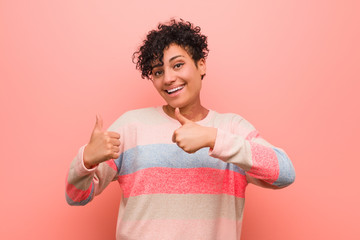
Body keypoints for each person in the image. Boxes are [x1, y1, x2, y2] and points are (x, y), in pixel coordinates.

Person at [65, 19, 295, 240]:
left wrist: (213, 138)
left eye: (178, 65)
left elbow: (284, 173)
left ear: (201, 65)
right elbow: (76, 197)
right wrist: (86, 160)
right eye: (157, 71)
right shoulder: (131, 126)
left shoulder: (230, 128)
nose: (168, 78)